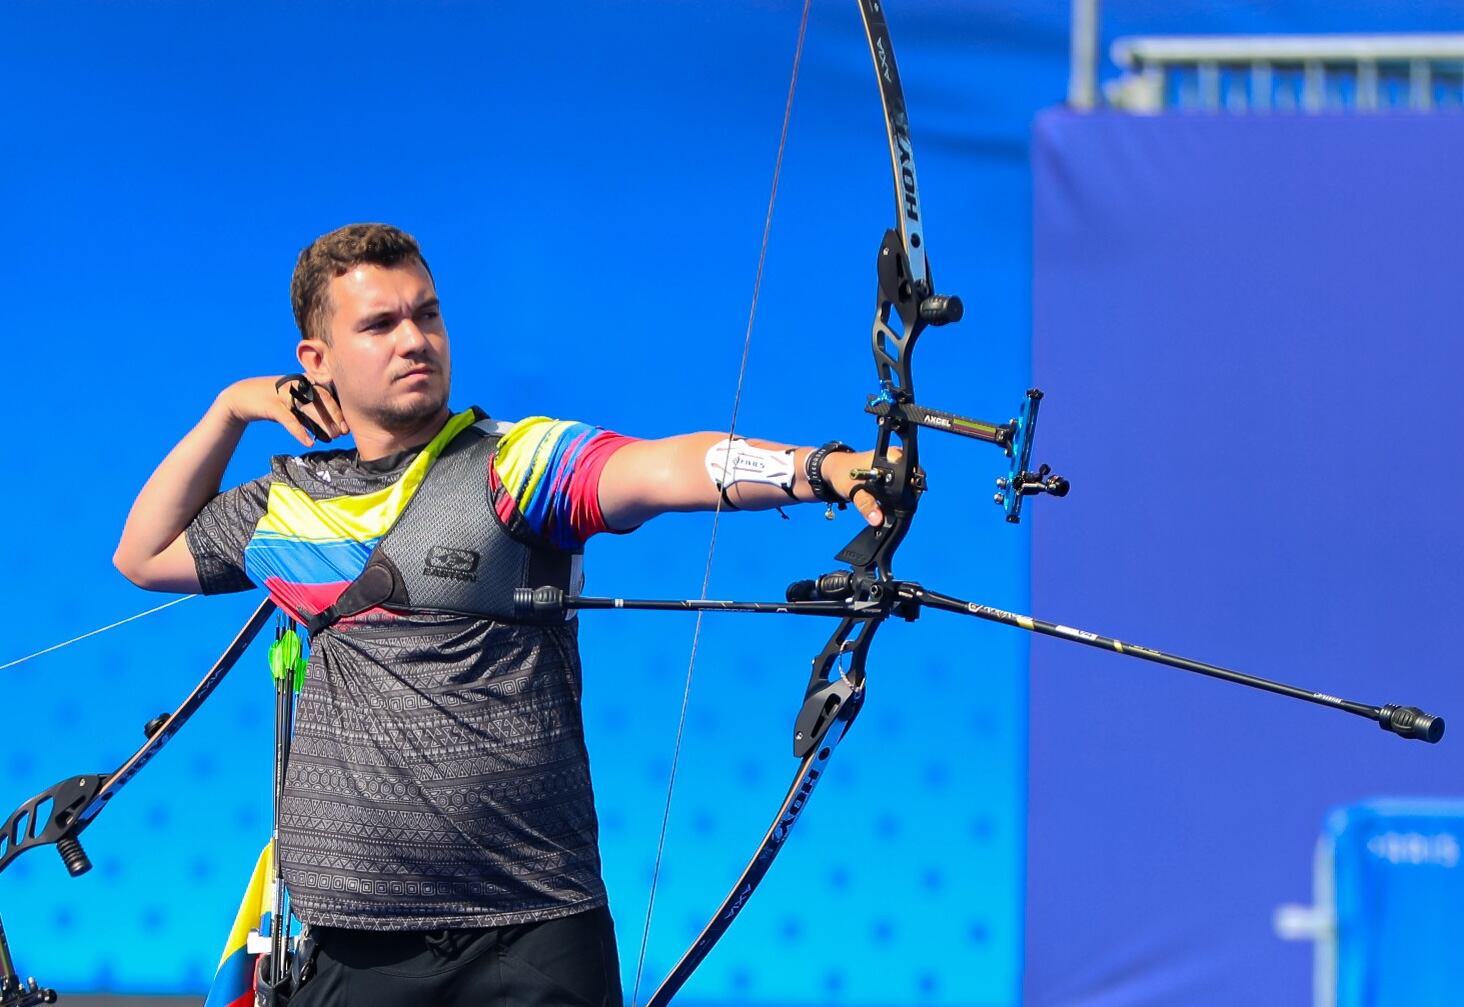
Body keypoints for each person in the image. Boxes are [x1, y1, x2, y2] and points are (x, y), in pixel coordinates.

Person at [112, 222, 885, 1007]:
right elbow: (143, 554)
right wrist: (230, 409)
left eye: (428, 314)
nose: (415, 339)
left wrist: (818, 469)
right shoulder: (289, 504)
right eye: (379, 325)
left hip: (534, 932)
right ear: (316, 362)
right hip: (351, 945)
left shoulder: (516, 462)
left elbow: (661, 467)